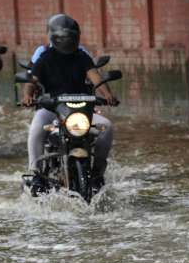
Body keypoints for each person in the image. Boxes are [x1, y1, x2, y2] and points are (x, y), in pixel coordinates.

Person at [21, 14, 118, 192]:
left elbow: (95, 77)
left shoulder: (82, 57)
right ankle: (34, 172)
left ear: (76, 37)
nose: (66, 41)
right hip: (51, 108)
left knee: (107, 127)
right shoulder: (44, 57)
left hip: (81, 109)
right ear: (53, 37)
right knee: (36, 130)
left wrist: (108, 94)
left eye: (69, 37)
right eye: (62, 38)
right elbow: (31, 81)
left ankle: (97, 173)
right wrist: (27, 96)